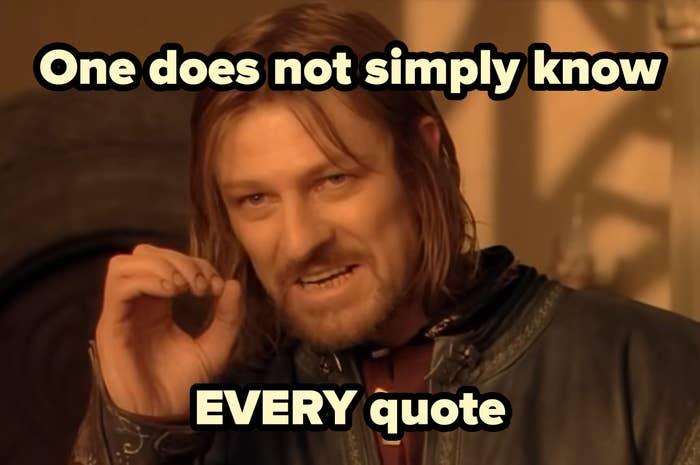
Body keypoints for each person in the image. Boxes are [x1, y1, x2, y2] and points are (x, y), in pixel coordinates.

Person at [69, 3, 700, 465]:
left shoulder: (659, 374)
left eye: (333, 179)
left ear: (422, 157)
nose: (299, 242)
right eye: (256, 199)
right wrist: (141, 432)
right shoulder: (216, 424)